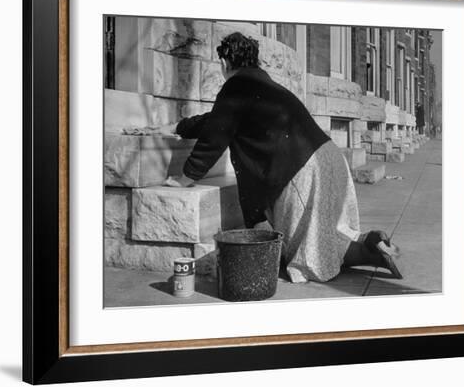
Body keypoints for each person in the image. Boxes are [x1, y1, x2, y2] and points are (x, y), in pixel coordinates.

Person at [127, 32, 402, 282]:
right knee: (327, 233)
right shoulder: (262, 85)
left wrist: (187, 176)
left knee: (310, 255)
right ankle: (369, 242)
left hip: (303, 169)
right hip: (330, 158)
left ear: (224, 62)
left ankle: (369, 253)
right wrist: (176, 126)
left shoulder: (236, 87)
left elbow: (215, 135)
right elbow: (218, 121)